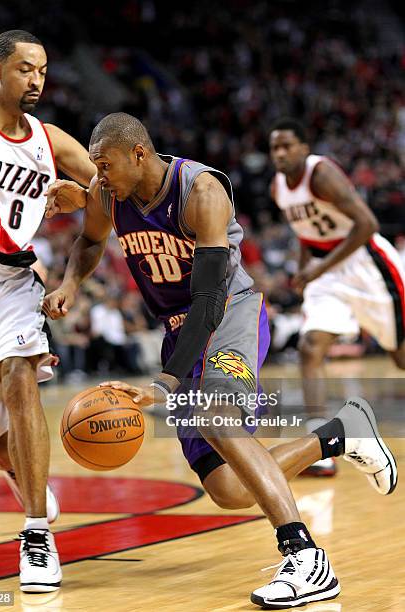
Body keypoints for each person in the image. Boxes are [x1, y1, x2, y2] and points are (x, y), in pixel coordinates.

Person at [44, 112, 397, 608]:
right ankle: (341, 434)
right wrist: (69, 283)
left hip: (228, 312)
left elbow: (209, 298)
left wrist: (165, 383)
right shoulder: (108, 194)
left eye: (105, 165)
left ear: (138, 154)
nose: (97, 176)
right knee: (230, 489)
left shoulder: (201, 191)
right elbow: (90, 240)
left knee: (215, 414)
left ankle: (305, 557)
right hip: (177, 331)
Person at [0, 30, 95, 592]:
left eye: (42, 71)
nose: (36, 81)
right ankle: (23, 476)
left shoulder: (50, 139)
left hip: (12, 282)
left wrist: (82, 196)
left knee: (20, 378)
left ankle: (36, 535)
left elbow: (111, 184)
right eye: (25, 70)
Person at [269, 118, 405, 477]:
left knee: (401, 358)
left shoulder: (322, 174)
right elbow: (305, 232)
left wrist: (317, 268)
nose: (280, 153)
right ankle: (321, 447)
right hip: (326, 270)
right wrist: (305, 270)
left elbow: (367, 225)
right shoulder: (278, 188)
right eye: (274, 147)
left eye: (287, 146)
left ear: (303, 148)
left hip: (368, 266)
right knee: (310, 347)